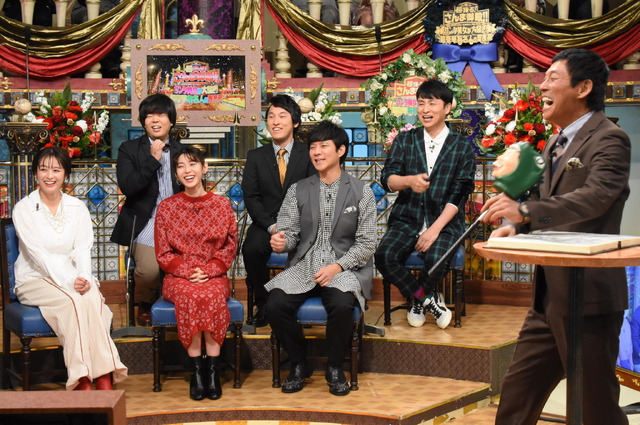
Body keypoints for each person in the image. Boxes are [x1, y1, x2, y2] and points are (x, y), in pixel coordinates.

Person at [481, 48, 630, 425]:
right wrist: (518, 227)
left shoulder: (610, 138)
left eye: (552, 78)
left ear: (583, 88)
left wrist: (527, 211)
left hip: (588, 298)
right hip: (547, 297)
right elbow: (551, 207)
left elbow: (595, 198)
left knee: (595, 407)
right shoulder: (554, 142)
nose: (542, 86)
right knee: (515, 399)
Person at [265, 121, 376, 396]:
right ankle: (299, 363)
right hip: (305, 265)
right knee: (275, 304)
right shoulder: (298, 189)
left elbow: (367, 243)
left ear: (340, 150)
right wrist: (282, 242)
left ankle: (335, 367)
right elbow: (290, 233)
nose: (316, 152)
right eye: (313, 147)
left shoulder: (361, 191)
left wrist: (337, 267)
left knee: (341, 304)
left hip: (343, 267)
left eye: (324, 146)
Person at [13, 147, 128, 391]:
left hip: (73, 276)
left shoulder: (77, 207)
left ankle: (103, 374)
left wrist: (84, 276)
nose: (49, 176)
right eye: (43, 169)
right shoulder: (23, 208)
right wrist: (69, 281)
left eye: (56, 170)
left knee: (92, 297)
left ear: (65, 174)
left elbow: (83, 248)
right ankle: (82, 378)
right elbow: (38, 255)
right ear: (35, 173)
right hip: (34, 279)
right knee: (74, 301)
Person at [374, 79, 476, 329]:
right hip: (406, 218)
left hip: (444, 222)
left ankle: (418, 299)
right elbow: (388, 179)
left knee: (437, 258)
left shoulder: (462, 147)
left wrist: (434, 229)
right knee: (384, 256)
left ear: (447, 108)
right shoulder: (405, 140)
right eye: (421, 103)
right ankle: (426, 299)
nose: (425, 109)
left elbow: (460, 193)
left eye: (432, 103)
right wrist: (408, 181)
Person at [155, 146, 238, 401]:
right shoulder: (167, 207)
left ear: (204, 168)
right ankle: (196, 373)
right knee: (191, 295)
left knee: (210, 295)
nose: (187, 170)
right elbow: (163, 253)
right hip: (178, 277)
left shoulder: (222, 205)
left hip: (214, 275)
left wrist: (209, 270)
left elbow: (230, 246)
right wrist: (188, 272)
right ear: (176, 174)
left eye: (192, 164)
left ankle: (212, 371)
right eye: (180, 166)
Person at [241, 94, 315, 327]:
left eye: (282, 116)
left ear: (295, 122)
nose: (275, 121)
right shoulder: (256, 156)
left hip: (302, 224)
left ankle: (302, 301)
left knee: (312, 247)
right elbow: (251, 197)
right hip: (267, 223)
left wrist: (294, 226)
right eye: (271, 116)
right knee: (251, 249)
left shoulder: (309, 154)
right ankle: (263, 304)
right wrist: (272, 226)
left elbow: (314, 193)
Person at [111, 94, 183, 326]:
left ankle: (183, 301)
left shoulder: (183, 151)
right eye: (149, 115)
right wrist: (153, 160)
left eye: (160, 114)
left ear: (171, 120)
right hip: (146, 221)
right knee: (149, 270)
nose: (155, 120)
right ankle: (146, 302)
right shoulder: (129, 149)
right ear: (143, 121)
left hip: (179, 222)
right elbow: (128, 187)